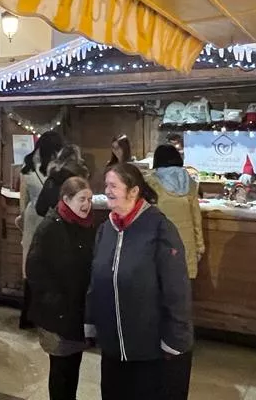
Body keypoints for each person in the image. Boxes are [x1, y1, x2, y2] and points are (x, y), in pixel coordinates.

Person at [86, 163, 193, 400]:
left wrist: (175, 338)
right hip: (112, 348)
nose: (107, 191)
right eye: (106, 185)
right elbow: (96, 279)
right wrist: (90, 321)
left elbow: (176, 290)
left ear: (133, 191)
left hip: (148, 350)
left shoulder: (159, 228)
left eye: (113, 186)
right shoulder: (106, 229)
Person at [26, 176, 96, 400]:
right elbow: (35, 271)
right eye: (81, 199)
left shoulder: (86, 225)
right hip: (57, 316)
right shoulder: (50, 228)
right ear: (66, 199)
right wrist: (57, 304)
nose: (87, 205)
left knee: (73, 368)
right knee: (60, 370)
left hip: (77, 313)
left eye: (90, 199)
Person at [14, 131, 63, 330]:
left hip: (32, 215)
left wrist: (22, 218)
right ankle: (45, 315)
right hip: (51, 217)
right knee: (49, 264)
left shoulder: (27, 168)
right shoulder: (57, 170)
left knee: (30, 263)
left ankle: (26, 316)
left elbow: (23, 199)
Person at [145, 145, 205, 279]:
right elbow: (196, 218)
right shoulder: (190, 183)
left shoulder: (151, 183)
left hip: (161, 244)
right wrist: (199, 247)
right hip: (186, 245)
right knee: (182, 286)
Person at [34, 145, 90, 218]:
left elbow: (40, 209)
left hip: (56, 222)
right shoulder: (79, 181)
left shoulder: (51, 180)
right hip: (76, 222)